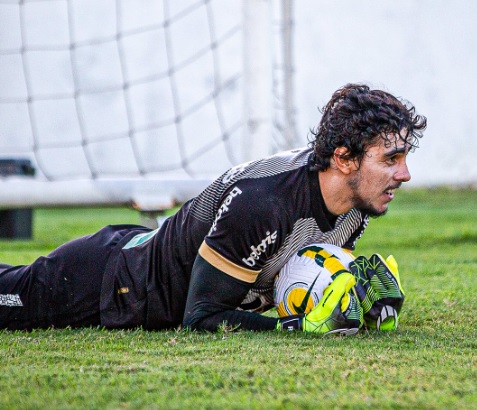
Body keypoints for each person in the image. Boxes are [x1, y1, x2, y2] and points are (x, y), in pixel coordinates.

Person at [0, 83, 427, 334]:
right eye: (390, 159)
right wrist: (293, 330)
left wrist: (349, 300)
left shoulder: (353, 206)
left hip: (140, 251)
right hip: (107, 282)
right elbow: (200, 316)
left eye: (404, 157)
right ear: (344, 158)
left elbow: (289, 280)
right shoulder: (266, 204)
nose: (404, 174)